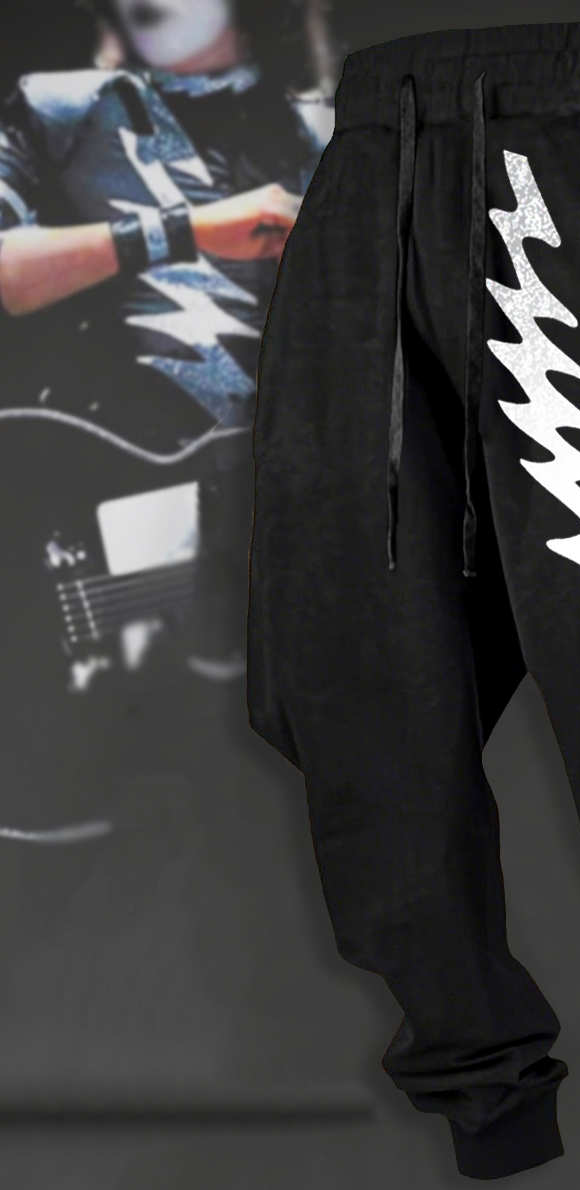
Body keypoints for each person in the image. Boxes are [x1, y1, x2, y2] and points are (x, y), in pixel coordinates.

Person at [0, 0, 343, 686]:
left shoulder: (333, 129)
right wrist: (184, 230)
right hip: (99, 527)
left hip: (293, 528)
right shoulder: (58, 107)